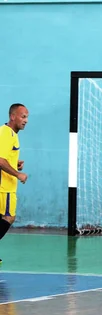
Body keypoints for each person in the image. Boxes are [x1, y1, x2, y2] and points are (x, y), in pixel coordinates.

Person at [0, 104, 29, 264]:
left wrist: (14, 163)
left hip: (5, 185)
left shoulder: (10, 133)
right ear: (12, 116)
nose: (26, 120)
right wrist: (18, 174)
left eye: (26, 117)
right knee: (9, 217)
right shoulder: (7, 133)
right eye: (23, 116)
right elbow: (0, 160)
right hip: (4, 187)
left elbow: (4, 157)